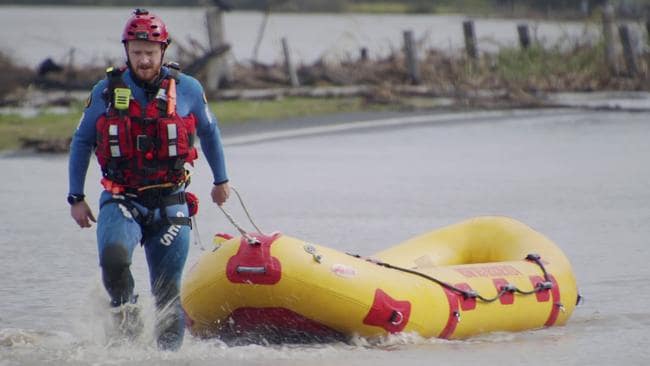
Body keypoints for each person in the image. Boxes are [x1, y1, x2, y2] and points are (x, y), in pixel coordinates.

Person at [67, 8, 229, 350]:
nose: (143, 60)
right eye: (137, 52)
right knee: (113, 261)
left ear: (163, 51)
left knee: (168, 293)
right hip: (121, 199)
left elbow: (210, 134)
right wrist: (76, 197)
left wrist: (221, 181)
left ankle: (166, 358)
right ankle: (127, 327)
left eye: (150, 53)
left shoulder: (188, 89)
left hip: (171, 203)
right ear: (127, 51)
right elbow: (82, 142)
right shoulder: (105, 90)